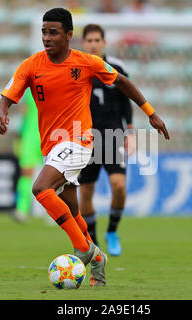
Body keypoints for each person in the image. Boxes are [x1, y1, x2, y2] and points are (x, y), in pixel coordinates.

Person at [0, 8, 169, 287]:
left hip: (79, 141)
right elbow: (6, 97)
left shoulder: (86, 63)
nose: (46, 38)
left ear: (68, 35)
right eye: (44, 32)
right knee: (73, 211)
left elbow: (122, 81)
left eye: (53, 32)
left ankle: (83, 248)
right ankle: (97, 259)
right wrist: (1, 112)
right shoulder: (31, 65)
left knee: (40, 189)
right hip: (52, 147)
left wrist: (150, 112)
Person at [78, 24, 135, 256]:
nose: (93, 44)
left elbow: (126, 101)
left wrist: (130, 131)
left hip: (113, 136)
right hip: (85, 138)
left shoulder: (117, 68)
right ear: (83, 44)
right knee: (87, 191)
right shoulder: (77, 69)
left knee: (119, 187)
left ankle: (112, 231)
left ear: (104, 42)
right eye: (89, 40)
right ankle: (92, 239)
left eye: (96, 40)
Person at [13, 91, 43, 223]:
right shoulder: (30, 89)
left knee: (55, 174)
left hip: (50, 133)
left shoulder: (56, 81)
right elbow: (24, 111)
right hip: (30, 134)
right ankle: (22, 210)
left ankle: (54, 212)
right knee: (26, 173)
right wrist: (20, 133)